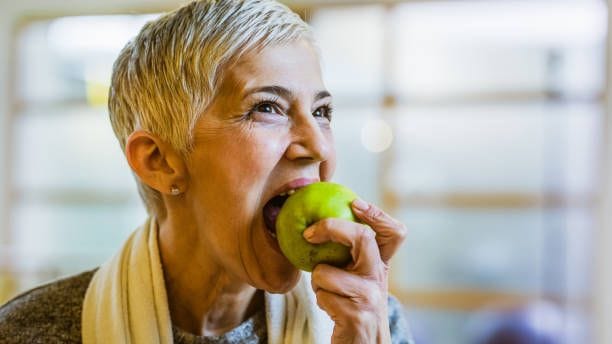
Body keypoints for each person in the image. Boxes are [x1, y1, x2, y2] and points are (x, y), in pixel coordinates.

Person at [0, 1, 414, 343]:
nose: (320, 147)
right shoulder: (32, 332)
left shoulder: (368, 322)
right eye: (267, 107)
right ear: (158, 161)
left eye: (322, 112)